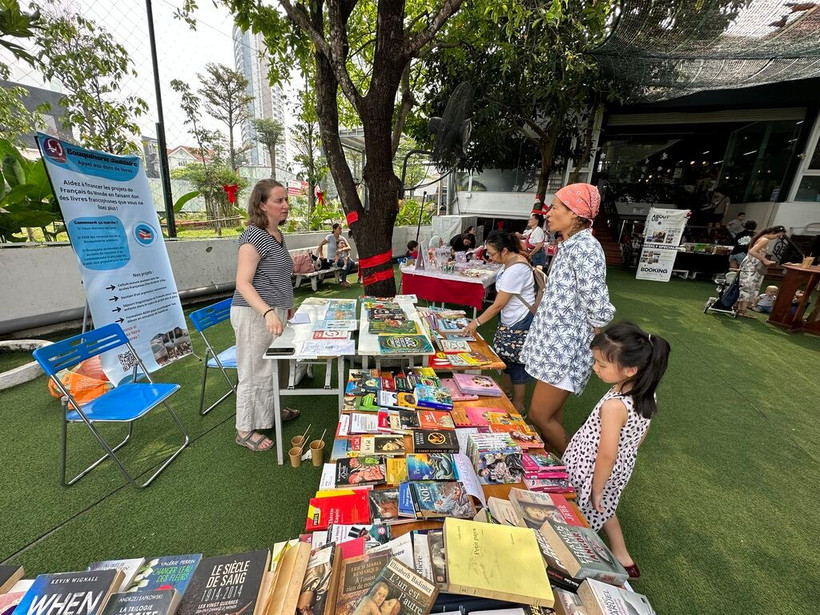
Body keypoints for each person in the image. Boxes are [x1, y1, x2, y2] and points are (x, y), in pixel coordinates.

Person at [562, 322, 671, 580]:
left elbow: (606, 454)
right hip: (619, 466)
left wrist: (596, 487)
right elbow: (640, 435)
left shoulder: (615, 406)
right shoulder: (646, 394)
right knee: (606, 507)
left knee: (584, 510)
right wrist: (626, 456)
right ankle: (622, 555)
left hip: (592, 468)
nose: (594, 368)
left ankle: (578, 559)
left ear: (630, 369)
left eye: (601, 365)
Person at [520, 183, 615, 454]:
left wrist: (586, 325)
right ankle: (557, 470)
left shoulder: (585, 247)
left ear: (574, 213)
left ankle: (574, 471)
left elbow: (597, 303)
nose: (548, 213)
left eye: (556, 207)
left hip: (564, 349)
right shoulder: (571, 244)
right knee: (552, 416)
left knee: (539, 415)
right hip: (554, 345)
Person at [231, 179, 300, 452]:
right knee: (253, 371)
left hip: (276, 311)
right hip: (254, 313)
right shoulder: (252, 236)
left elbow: (279, 277)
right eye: (278, 201)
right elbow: (243, 283)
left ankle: (273, 411)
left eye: (286, 200)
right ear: (262, 205)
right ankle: (245, 428)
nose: (285, 205)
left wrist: (287, 304)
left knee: (278, 365)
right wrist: (269, 311)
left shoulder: (278, 236)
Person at [463, 231, 535, 413]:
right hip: (511, 320)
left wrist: (475, 323)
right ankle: (505, 395)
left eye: (492, 253)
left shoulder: (516, 269)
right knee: (506, 362)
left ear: (504, 250)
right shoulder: (510, 262)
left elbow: (498, 304)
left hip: (520, 321)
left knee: (517, 367)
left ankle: (519, 406)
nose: (490, 258)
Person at [735, 225, 786, 317]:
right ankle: (742, 310)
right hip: (752, 266)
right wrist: (765, 260)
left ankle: (739, 308)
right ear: (773, 232)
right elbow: (752, 251)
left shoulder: (761, 238)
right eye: (777, 236)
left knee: (745, 286)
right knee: (748, 287)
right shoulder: (764, 240)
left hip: (750, 264)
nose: (776, 238)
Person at [317, 223, 355, 287]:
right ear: (334, 229)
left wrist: (342, 249)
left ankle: (342, 277)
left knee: (353, 263)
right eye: (339, 229)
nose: (341, 230)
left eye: (341, 229)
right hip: (332, 259)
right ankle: (343, 281)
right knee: (348, 263)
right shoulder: (329, 237)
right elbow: (320, 245)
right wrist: (321, 255)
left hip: (342, 258)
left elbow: (349, 247)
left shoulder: (342, 238)